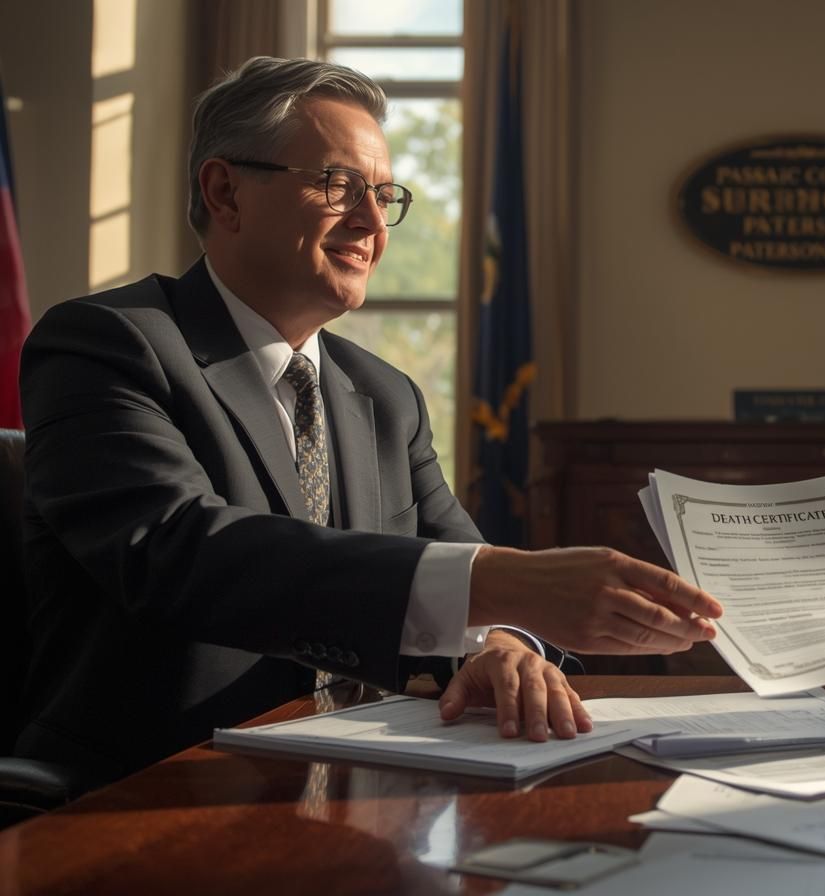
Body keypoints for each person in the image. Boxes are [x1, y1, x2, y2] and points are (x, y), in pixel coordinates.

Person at [17, 57, 722, 785]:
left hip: (361, 788)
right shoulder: (109, 343)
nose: (372, 221)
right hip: (151, 789)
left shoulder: (384, 394)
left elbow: (455, 561)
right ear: (225, 192)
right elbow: (177, 554)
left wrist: (500, 644)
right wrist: (505, 587)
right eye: (337, 185)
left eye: (385, 195)